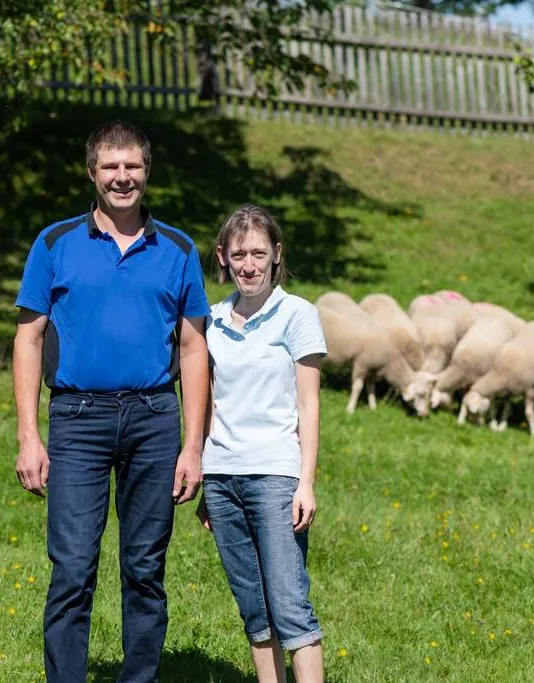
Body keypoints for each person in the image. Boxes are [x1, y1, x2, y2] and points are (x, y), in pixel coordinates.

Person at [12, 120, 210, 683]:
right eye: (111, 167)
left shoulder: (177, 248)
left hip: (154, 419)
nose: (122, 177)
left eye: (132, 166)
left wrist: (192, 446)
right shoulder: (55, 243)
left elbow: (195, 349)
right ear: (92, 173)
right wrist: (30, 436)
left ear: (147, 171)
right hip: (77, 420)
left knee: (145, 568)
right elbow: (28, 339)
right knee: (73, 568)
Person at [197, 204, 326, 683]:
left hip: (276, 476)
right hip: (222, 477)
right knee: (253, 607)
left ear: (276, 255)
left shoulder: (297, 315)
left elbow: (308, 405)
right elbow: (208, 404)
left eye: (258, 253)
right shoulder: (211, 322)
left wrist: (305, 482)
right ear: (223, 259)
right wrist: (206, 480)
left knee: (290, 605)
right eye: (239, 254)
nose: (249, 264)